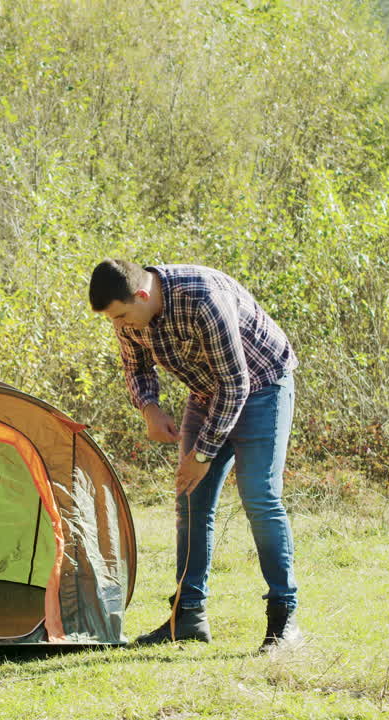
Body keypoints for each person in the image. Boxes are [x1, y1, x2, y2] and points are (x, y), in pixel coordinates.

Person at [89, 260, 301, 653]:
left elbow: (236, 383)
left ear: (142, 295)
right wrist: (149, 408)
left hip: (262, 387)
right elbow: (136, 369)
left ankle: (283, 621)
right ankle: (187, 616)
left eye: (121, 315)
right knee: (191, 498)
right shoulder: (127, 317)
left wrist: (202, 454)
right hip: (207, 393)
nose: (121, 325)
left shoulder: (202, 299)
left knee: (259, 498)